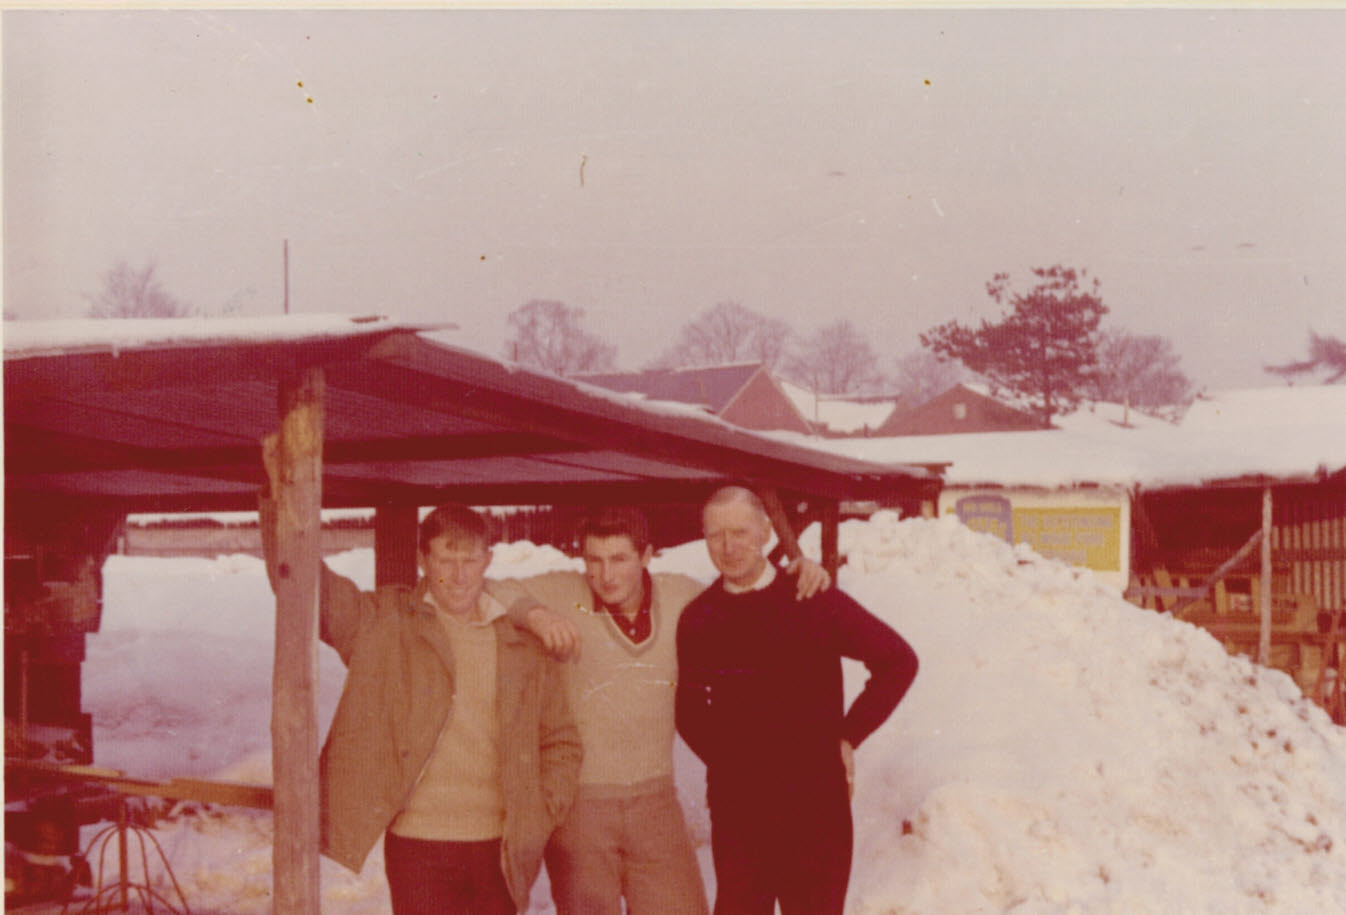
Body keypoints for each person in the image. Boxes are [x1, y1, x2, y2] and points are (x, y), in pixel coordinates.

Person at [259, 439, 582, 915]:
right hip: (419, 848)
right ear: (423, 561)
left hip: (500, 849)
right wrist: (278, 500)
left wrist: (540, 812)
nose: (458, 574)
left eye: (469, 559)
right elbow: (306, 588)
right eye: (445, 560)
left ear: (487, 561)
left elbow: (561, 742)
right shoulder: (385, 623)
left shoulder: (521, 646)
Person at [488, 505, 831, 915]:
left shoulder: (681, 594)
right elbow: (485, 588)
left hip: (656, 802)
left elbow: (746, 596)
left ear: (647, 555)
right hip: (580, 808)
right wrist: (536, 614)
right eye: (594, 560)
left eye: (619, 559)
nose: (606, 574)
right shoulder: (563, 591)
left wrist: (800, 573)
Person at [675, 486, 919, 915]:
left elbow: (898, 661)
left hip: (815, 812)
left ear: (766, 531)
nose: (728, 547)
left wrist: (848, 736)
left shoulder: (810, 597)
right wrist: (735, 764)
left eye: (739, 532)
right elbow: (689, 712)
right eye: (715, 535)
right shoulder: (700, 618)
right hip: (741, 816)